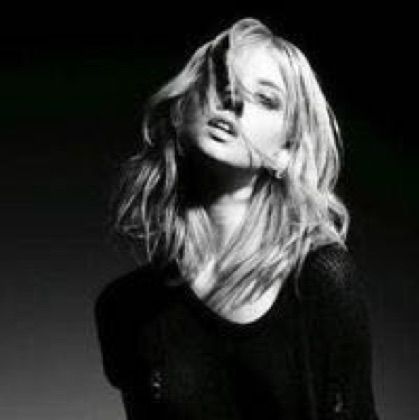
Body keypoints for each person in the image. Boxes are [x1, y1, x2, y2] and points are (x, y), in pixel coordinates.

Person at [95, 18, 379, 419]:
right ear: (182, 107)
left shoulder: (320, 282)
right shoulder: (124, 307)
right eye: (222, 82)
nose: (234, 103)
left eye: (266, 99)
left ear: (285, 152)